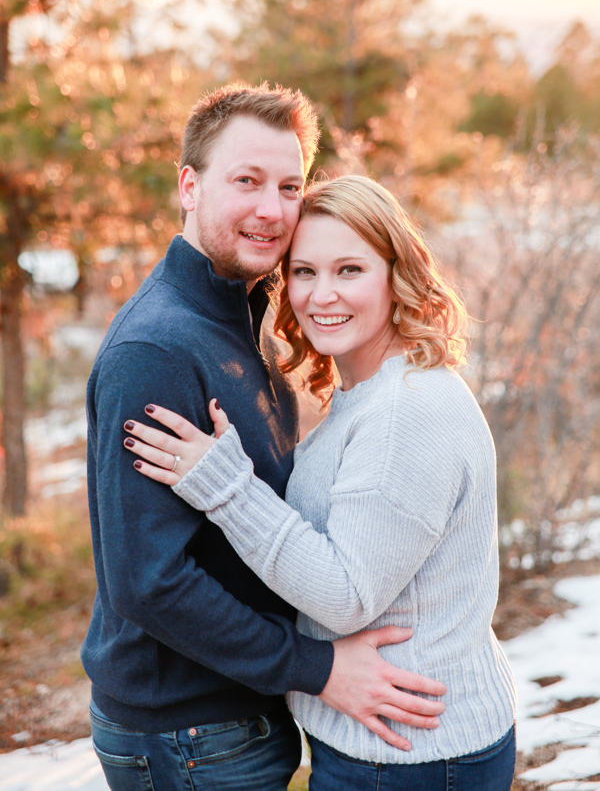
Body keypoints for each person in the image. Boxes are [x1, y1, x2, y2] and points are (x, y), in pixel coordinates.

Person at [83, 86, 447, 791]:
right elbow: (148, 582)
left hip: (234, 710)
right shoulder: (157, 349)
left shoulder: (233, 314)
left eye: (289, 186)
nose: (273, 210)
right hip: (189, 727)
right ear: (188, 186)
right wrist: (321, 669)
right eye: (246, 181)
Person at [124, 174, 518, 791]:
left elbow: (344, 595)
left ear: (398, 273)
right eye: (304, 271)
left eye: (349, 270)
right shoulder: (375, 388)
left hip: (407, 754)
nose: (321, 295)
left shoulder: (404, 414)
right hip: (397, 742)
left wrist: (226, 488)